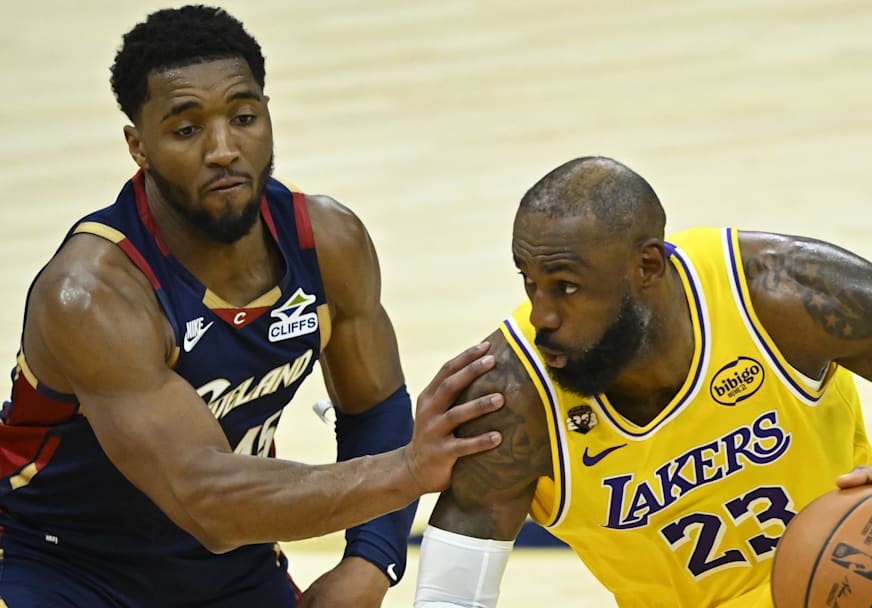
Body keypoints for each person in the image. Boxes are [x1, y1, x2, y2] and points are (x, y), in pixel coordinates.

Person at [0, 6, 504, 608]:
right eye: (187, 130)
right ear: (139, 146)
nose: (223, 150)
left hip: (232, 569)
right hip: (60, 566)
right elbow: (206, 501)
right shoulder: (92, 294)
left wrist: (370, 560)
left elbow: (373, 406)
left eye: (243, 118)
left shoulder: (329, 241)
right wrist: (407, 471)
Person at [412, 156, 872, 607]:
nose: (543, 315)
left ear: (648, 267)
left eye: (567, 287)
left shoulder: (782, 296)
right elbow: (451, 595)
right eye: (529, 282)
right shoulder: (513, 397)